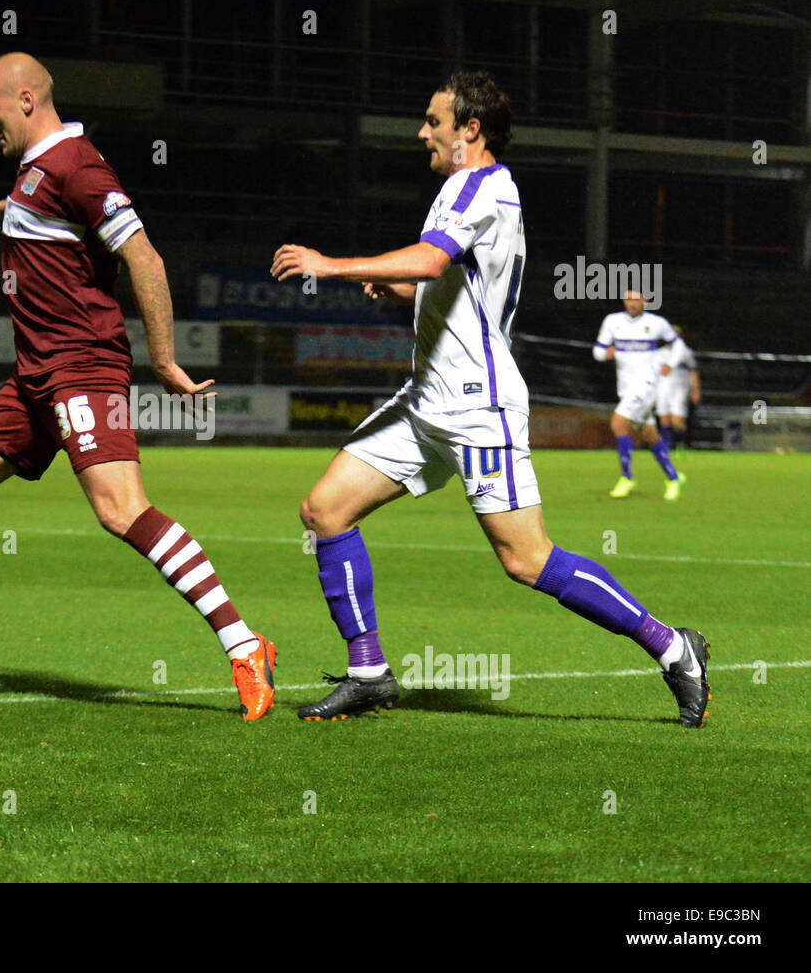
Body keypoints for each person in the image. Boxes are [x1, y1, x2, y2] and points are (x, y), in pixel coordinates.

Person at [270, 70, 710, 728]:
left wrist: (332, 266)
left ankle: (674, 648)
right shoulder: (462, 189)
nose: (424, 132)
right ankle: (368, 672)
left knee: (527, 560)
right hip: (428, 402)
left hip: (480, 406)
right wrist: (403, 294)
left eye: (433, 121)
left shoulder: (481, 187)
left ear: (469, 129)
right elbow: (449, 281)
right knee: (325, 509)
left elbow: (428, 262)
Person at [0, 53, 276, 720]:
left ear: (25, 99)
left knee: (122, 511)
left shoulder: (78, 164)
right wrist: (2, 209)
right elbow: (49, 216)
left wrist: (164, 360)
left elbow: (144, 257)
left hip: (82, 367)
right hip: (33, 378)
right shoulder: (34, 170)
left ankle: (245, 644)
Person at [593, 291, 683, 499]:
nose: (632, 303)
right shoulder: (612, 321)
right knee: (650, 435)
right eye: (628, 299)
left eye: (637, 299)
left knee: (618, 424)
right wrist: (606, 353)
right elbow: (598, 351)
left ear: (645, 301)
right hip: (626, 388)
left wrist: (671, 363)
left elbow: (677, 344)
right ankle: (673, 478)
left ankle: (627, 477)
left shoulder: (657, 323)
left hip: (647, 385)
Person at [655, 325, 700, 451]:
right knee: (665, 420)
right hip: (662, 389)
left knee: (677, 420)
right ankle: (665, 448)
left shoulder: (686, 353)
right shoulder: (659, 354)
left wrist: (695, 390)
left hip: (680, 390)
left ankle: (680, 446)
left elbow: (693, 372)